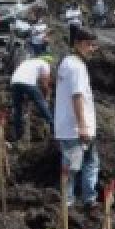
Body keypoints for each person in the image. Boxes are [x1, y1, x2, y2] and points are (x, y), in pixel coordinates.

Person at [53, 28, 99, 208]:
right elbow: (77, 96)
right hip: (76, 129)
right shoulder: (77, 67)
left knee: (84, 163)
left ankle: (82, 200)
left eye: (94, 45)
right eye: (89, 45)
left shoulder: (66, 63)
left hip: (67, 127)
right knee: (76, 167)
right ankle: (75, 202)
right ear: (78, 44)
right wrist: (82, 126)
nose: (92, 49)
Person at [9, 54, 54, 143]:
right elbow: (44, 82)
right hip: (28, 83)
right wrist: (47, 93)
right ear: (48, 62)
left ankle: (18, 135)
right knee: (41, 103)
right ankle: (53, 126)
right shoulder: (45, 64)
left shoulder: (28, 62)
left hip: (14, 82)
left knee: (18, 109)